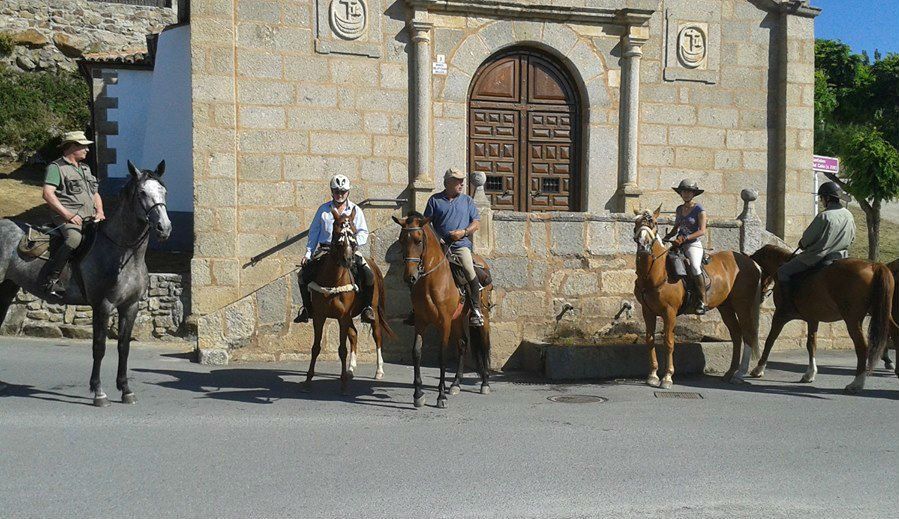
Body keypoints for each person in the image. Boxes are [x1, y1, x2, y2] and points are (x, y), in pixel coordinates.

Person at [294, 174, 375, 324]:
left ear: (348, 192)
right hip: (325, 250)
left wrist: (352, 242)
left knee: (368, 274)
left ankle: (366, 308)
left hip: (349, 249)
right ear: (332, 192)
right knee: (302, 275)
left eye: (342, 192)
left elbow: (363, 231)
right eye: (336, 191)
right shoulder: (323, 210)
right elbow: (314, 232)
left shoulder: (356, 210)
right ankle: (306, 308)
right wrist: (308, 253)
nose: (339, 195)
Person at [415, 167, 484, 326]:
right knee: (419, 271)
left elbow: (476, 223)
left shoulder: (467, 200)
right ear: (447, 182)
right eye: (457, 181)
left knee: (468, 269)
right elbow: (426, 224)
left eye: (462, 181)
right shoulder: (434, 200)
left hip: (460, 246)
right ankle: (416, 309)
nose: (461, 184)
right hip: (439, 247)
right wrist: (437, 239)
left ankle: (476, 310)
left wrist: (463, 232)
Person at [776, 181, 856, 314]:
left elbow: (807, 239)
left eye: (822, 198)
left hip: (818, 257)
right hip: (841, 257)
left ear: (828, 198)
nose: (821, 201)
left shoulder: (824, 216)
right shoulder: (849, 215)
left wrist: (802, 244)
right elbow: (852, 238)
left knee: (783, 271)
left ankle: (787, 305)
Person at [42, 130, 105, 295]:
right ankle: (52, 279)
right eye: (83, 146)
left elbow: (95, 193)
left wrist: (100, 211)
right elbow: (47, 194)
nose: (87, 150)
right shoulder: (56, 168)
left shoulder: (85, 168)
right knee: (74, 239)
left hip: (90, 217)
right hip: (67, 218)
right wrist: (68, 215)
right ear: (71, 147)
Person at [663, 179, 709, 315]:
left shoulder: (699, 210)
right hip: (679, 243)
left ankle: (703, 300)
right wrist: (666, 237)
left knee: (694, 267)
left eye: (689, 191)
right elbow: (676, 227)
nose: (686, 194)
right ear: (681, 193)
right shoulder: (679, 209)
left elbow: (702, 230)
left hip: (692, 244)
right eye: (684, 191)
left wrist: (686, 238)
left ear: (693, 194)